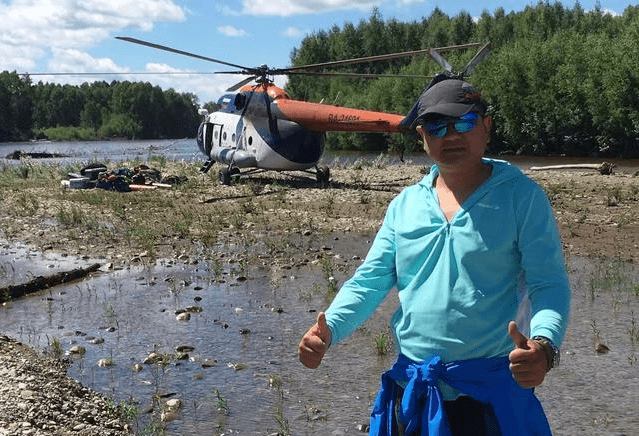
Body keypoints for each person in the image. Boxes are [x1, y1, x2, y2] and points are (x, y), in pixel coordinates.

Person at [298, 77, 571, 436]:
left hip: (489, 395)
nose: (451, 135)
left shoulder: (522, 198)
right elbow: (370, 280)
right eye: (437, 126)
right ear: (422, 136)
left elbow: (548, 284)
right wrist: (329, 329)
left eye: (465, 122)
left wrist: (545, 347)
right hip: (414, 391)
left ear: (486, 127)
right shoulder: (405, 205)